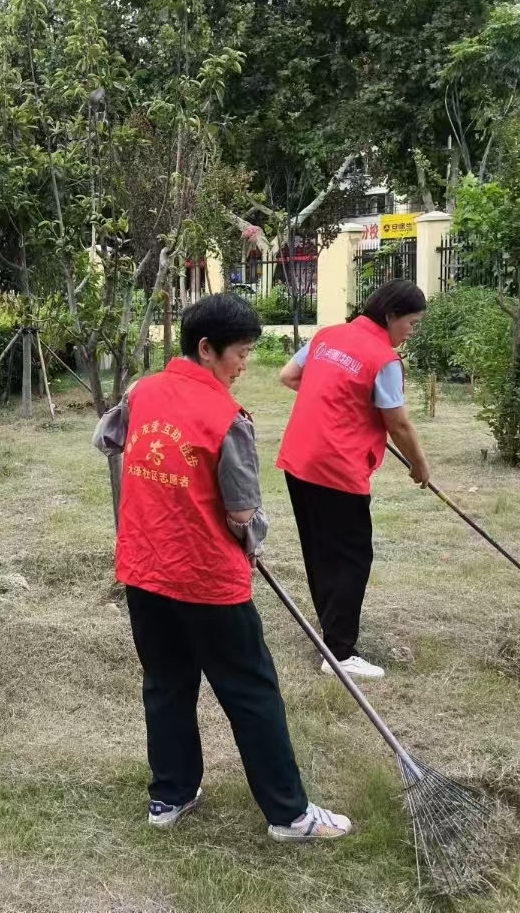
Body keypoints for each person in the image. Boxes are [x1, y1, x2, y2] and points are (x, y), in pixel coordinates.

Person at [94, 292, 352, 843]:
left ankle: (171, 794)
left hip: (144, 571)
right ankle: (289, 814)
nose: (245, 364)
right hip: (207, 580)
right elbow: (242, 511)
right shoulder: (227, 417)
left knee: (165, 683)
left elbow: (105, 439)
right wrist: (254, 541)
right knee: (250, 692)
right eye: (241, 353)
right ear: (207, 349)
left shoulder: (142, 390)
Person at [276, 280, 431, 681]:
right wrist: (420, 466)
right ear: (392, 315)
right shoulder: (384, 359)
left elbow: (290, 375)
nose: (412, 331)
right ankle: (340, 653)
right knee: (350, 557)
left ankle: (330, 636)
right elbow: (397, 423)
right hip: (336, 469)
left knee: (320, 551)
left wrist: (336, 400)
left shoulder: (329, 336)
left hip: (299, 459)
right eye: (411, 323)